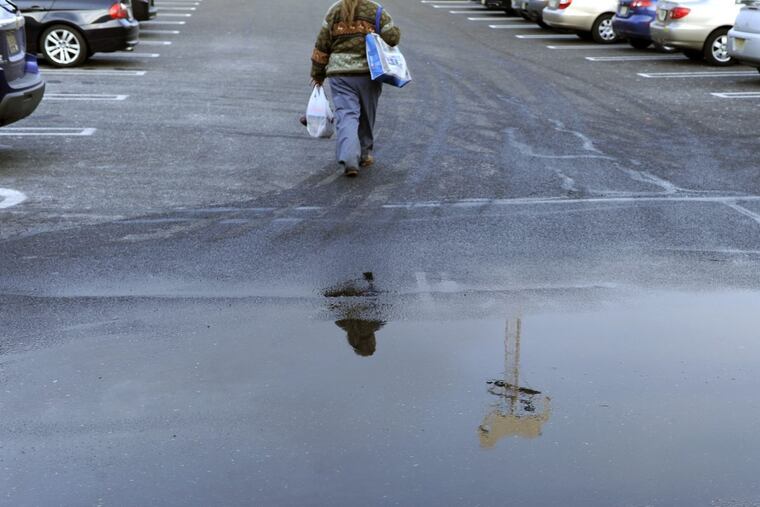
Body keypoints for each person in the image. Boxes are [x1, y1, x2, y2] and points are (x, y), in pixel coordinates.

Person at [310, 0, 401, 177]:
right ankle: (365, 154)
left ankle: (349, 157)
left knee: (346, 115)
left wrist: (317, 74)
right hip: (369, 73)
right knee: (367, 114)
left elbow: (322, 45)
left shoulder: (334, 11)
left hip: (340, 74)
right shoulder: (376, 10)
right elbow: (392, 38)